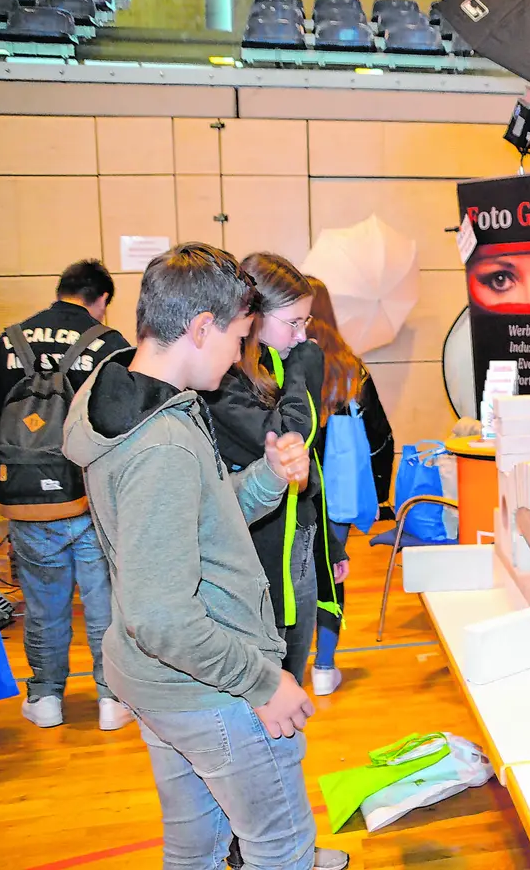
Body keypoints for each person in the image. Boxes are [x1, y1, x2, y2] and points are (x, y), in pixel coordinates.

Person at [63, 242, 347, 870]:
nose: (239, 356)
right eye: (237, 338)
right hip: (209, 690)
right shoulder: (161, 444)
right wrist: (261, 682)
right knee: (283, 851)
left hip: (160, 684)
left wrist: (269, 477)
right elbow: (161, 614)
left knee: (195, 850)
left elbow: (203, 524)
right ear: (199, 328)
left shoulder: (130, 396)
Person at [0, 258, 134, 731]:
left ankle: (46, 697)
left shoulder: (8, 342)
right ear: (102, 299)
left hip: (26, 502)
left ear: (61, 290)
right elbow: (124, 425)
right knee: (103, 603)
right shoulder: (109, 345)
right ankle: (111, 699)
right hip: (88, 497)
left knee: (43, 603)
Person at [201, 254, 337, 688]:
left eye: (306, 323)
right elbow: (287, 438)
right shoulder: (221, 381)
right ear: (254, 318)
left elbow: (308, 469)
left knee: (292, 681)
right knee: (270, 685)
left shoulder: (270, 364)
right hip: (257, 556)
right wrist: (305, 375)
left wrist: (332, 545)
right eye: (292, 323)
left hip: (298, 541)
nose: (302, 337)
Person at [304, 277, 395, 697]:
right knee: (330, 574)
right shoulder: (349, 367)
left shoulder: (270, 361)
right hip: (335, 494)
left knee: (283, 576)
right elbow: (381, 438)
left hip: (283, 491)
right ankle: (324, 666)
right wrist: (377, 495)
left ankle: (283, 668)